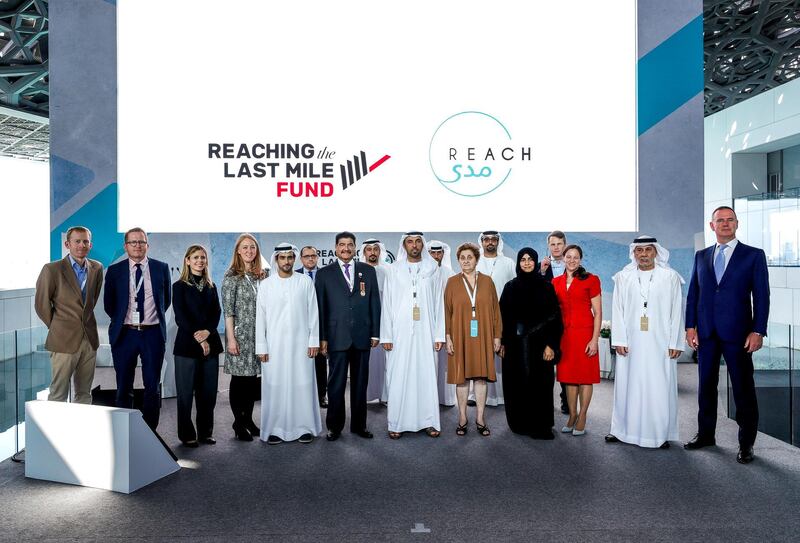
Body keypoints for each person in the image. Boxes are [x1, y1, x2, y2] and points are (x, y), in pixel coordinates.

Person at [684, 206, 769, 464]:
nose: (725, 224)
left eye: (729, 220)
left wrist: (758, 330)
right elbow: (693, 294)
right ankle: (706, 435)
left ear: (737, 224)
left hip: (739, 334)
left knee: (743, 389)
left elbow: (762, 296)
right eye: (719, 220)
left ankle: (746, 444)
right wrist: (690, 326)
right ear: (712, 226)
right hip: (707, 333)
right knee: (705, 387)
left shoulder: (753, 255)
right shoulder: (701, 256)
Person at [607, 236, 684, 449]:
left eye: (648, 250)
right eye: (639, 251)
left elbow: (677, 311)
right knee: (627, 386)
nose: (643, 254)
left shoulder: (670, 277)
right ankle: (622, 430)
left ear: (656, 252)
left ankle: (658, 434)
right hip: (630, 343)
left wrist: (675, 342)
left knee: (658, 386)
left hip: (660, 343)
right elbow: (617, 309)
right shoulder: (623, 277)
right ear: (634, 253)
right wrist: (619, 339)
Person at [315, 231, 381, 441]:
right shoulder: (324, 273)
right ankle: (334, 427)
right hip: (336, 337)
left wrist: (376, 332)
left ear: (355, 247)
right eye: (342, 245)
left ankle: (359, 426)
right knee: (336, 384)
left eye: (350, 245)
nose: (346, 248)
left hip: (362, 335)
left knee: (361, 384)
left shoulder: (368, 271)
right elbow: (321, 308)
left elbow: (374, 304)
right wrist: (322, 337)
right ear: (335, 248)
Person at [104, 227, 172, 431]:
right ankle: (125, 430)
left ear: (147, 245)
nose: (137, 246)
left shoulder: (161, 268)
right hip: (125, 334)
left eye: (141, 242)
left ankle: (151, 432)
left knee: (152, 386)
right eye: (133, 242)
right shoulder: (115, 271)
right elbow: (110, 305)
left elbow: (165, 301)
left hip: (152, 334)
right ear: (125, 246)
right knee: (124, 385)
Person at [380, 232, 445, 439]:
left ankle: (429, 421)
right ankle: (397, 422)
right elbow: (388, 304)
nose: (414, 245)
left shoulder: (432, 268)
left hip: (426, 331)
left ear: (422, 245)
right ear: (404, 245)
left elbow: (438, 304)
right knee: (399, 376)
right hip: (399, 333)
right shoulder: (394, 270)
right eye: (410, 241)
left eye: (418, 241)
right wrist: (387, 336)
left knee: (426, 375)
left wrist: (439, 335)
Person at [256, 244, 322, 444]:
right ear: (276, 259)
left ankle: (304, 428)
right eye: (282, 257)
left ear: (295, 259)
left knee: (303, 384)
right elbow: (261, 318)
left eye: (290, 257)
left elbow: (314, 314)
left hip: (302, 345)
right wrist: (261, 346)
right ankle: (275, 429)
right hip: (273, 347)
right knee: (274, 386)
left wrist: (313, 341)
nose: (286, 261)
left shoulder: (305, 282)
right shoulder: (266, 285)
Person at [34, 226, 104, 404]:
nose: (82, 245)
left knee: (84, 393)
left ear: (90, 244)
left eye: (85, 241)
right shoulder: (52, 269)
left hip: (89, 339)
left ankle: (80, 431)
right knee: (58, 393)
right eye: (77, 241)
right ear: (68, 244)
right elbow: (41, 305)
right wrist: (58, 326)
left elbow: (91, 301)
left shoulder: (97, 268)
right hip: (63, 340)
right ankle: (54, 432)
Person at [499, 248, 563, 439]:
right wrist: (502, 342)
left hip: (540, 346)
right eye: (523, 260)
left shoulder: (546, 287)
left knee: (540, 385)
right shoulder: (510, 287)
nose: (526, 263)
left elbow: (554, 318)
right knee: (516, 384)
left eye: (530, 260)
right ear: (518, 263)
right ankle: (519, 423)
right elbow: (502, 318)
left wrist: (551, 344)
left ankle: (541, 425)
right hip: (514, 346)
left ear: (535, 262)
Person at [445, 242, 502, 437]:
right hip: (459, 335)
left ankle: (480, 418)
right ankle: (462, 417)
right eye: (462, 258)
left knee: (480, 376)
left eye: (470, 257)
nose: (466, 261)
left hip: (483, 335)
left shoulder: (487, 281)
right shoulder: (452, 282)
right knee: (461, 378)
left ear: (476, 260)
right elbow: (446, 311)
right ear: (458, 260)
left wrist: (497, 336)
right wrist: (448, 337)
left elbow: (496, 311)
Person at [171, 245, 223, 447]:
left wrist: (208, 333)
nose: (200, 261)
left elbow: (216, 313)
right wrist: (199, 338)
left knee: (208, 392)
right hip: (187, 346)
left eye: (202, 257)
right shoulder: (179, 286)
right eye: (195, 257)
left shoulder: (211, 285)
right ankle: (186, 434)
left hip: (211, 344)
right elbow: (181, 317)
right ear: (187, 261)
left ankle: (205, 432)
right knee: (185, 393)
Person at [552, 244, 601, 436]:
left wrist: (594, 339)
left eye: (576, 257)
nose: (572, 260)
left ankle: (582, 416)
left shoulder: (591, 279)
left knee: (584, 377)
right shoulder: (556, 282)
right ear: (563, 258)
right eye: (568, 257)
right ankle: (572, 415)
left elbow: (598, 312)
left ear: (580, 259)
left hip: (585, 334)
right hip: (564, 336)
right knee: (569, 379)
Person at [222, 233, 266, 441]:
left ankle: (248, 419)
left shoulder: (261, 276)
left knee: (251, 381)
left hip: (258, 336)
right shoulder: (232, 276)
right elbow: (228, 312)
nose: (249, 251)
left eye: (253, 247)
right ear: (238, 251)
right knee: (239, 380)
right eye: (245, 247)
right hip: (239, 336)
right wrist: (231, 339)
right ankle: (238, 423)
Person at [474, 230, 515, 407]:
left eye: (493, 239)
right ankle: (476, 395)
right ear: (481, 242)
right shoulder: (474, 262)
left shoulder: (508, 262)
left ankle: (501, 395)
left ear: (498, 242)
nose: (490, 242)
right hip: (477, 316)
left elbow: (514, 288)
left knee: (502, 353)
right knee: (479, 353)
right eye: (486, 239)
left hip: (503, 314)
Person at [539, 230, 570, 414]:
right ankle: (544, 402)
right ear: (548, 246)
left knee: (566, 362)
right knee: (545, 365)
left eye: (559, 244)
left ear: (564, 245)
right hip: (546, 324)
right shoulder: (540, 267)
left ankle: (566, 400)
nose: (556, 247)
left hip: (567, 321)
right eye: (553, 244)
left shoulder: (573, 264)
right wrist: (542, 271)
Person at [359, 238, 390, 404]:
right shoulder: (358, 271)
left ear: (380, 251)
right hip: (366, 323)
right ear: (364, 252)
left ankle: (385, 395)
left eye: (375, 249)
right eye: (368, 249)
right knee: (367, 361)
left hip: (385, 322)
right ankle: (367, 395)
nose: (372, 252)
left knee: (386, 360)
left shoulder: (388, 270)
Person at [297, 245, 328, 408]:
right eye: (307, 256)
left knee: (320, 363)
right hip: (300, 326)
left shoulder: (326, 275)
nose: (310, 258)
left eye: (313, 255)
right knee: (302, 362)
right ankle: (304, 396)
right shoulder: (294, 276)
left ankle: (322, 395)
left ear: (317, 257)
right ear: (301, 259)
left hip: (322, 326)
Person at [429, 240, 456, 406]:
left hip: (446, 321)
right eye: (433, 252)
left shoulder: (449, 273)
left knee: (445, 362)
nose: (436, 256)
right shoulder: (423, 272)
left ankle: (445, 398)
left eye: (439, 253)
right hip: (427, 323)